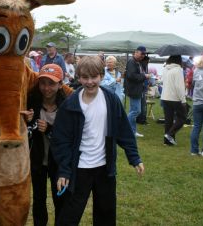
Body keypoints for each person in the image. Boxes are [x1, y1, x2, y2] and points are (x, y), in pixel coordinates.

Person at [51, 56, 145, 226]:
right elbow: (60, 140)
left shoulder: (111, 100)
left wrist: (134, 157)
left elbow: (124, 131)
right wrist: (64, 170)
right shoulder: (70, 105)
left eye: (94, 77)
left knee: (106, 214)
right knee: (70, 214)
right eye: (85, 77)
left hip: (105, 168)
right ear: (78, 78)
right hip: (79, 169)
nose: (89, 82)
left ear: (102, 76)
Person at [21, 64, 69, 226]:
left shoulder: (67, 105)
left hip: (59, 162)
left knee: (60, 198)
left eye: (51, 83)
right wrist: (26, 121)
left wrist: (49, 129)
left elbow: (70, 136)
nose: (46, 88)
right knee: (39, 198)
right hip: (37, 160)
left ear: (60, 84)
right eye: (43, 83)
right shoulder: (31, 100)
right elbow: (23, 133)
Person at [124, 46, 151, 137]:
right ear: (135, 52)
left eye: (144, 54)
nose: (143, 55)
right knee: (136, 111)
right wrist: (144, 76)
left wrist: (143, 75)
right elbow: (132, 76)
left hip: (137, 89)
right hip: (134, 90)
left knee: (133, 110)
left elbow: (136, 74)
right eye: (141, 53)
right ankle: (124, 127)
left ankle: (132, 131)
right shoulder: (132, 62)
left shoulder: (137, 62)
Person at [160, 55, 187, 146]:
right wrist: (183, 100)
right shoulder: (178, 70)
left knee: (169, 119)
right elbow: (179, 87)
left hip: (165, 97)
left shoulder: (165, 69)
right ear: (179, 60)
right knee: (182, 117)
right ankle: (169, 134)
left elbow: (162, 81)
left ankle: (167, 142)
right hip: (174, 98)